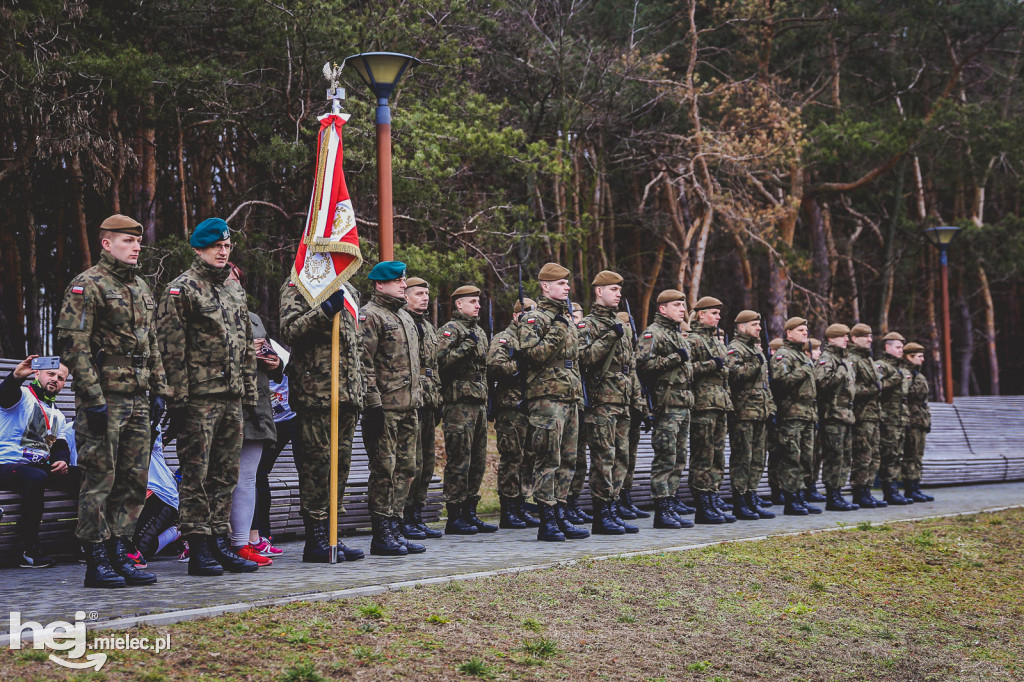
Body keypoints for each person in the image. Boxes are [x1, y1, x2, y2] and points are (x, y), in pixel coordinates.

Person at [56, 213, 167, 588]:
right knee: (99, 480)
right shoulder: (87, 285)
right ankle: (96, 556)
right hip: (105, 398)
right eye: (127, 241)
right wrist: (93, 398)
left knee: (134, 481)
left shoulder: (140, 288)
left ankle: (121, 549)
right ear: (107, 244)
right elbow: (74, 346)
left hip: (138, 396)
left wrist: (158, 391)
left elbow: (152, 345)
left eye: (137, 242)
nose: (136, 248)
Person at [157, 217, 259, 576]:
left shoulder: (234, 290)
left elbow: (246, 345)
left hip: (231, 398)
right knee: (196, 474)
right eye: (216, 246)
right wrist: (177, 400)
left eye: (227, 246)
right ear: (198, 249)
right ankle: (199, 547)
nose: (223, 251)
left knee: (224, 475)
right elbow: (170, 348)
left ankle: (219, 540)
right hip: (198, 399)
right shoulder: (182, 289)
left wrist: (248, 392)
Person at [279, 271, 365, 563]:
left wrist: (360, 390)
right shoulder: (299, 286)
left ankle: (332, 534)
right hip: (316, 393)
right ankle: (316, 538)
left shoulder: (348, 288)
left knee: (339, 466)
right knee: (317, 466)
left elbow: (355, 345)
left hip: (347, 395)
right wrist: (324, 312)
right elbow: (289, 331)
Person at [359, 261, 425, 556]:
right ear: (379, 284)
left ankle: (396, 526)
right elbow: (364, 361)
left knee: (407, 468)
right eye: (397, 281)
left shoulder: (406, 318)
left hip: (409, 406)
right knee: (384, 469)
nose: (403, 284)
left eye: (403, 280)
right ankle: (381, 531)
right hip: (384, 407)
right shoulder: (370, 316)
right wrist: (371, 402)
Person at [519, 262, 588, 542]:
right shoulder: (536, 319)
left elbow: (575, 363)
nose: (567, 287)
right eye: (561, 283)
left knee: (568, 460)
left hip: (569, 397)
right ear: (545, 287)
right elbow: (530, 355)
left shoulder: (566, 319)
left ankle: (561, 512)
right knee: (548, 459)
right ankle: (546, 518)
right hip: (547, 399)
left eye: (567, 283)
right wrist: (559, 330)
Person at [0, 357, 79, 568]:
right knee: (36, 476)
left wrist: (62, 461)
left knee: (85, 477)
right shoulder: (23, 397)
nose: (55, 379)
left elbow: (60, 446)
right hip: (7, 465)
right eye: (51, 374)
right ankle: (30, 549)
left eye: (61, 378)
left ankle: (85, 542)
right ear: (37, 374)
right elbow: (5, 396)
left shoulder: (58, 415)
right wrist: (16, 376)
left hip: (37, 467)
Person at [578, 271, 640, 535]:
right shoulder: (588, 325)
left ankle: (613, 508)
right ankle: (601, 513)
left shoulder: (623, 327)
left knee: (620, 459)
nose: (618, 294)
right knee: (603, 459)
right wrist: (609, 338)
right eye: (613, 289)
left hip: (622, 402)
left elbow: (631, 367)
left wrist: (637, 402)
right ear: (598, 292)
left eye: (619, 289)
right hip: (601, 401)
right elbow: (582, 358)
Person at [228, 283, 281, 567]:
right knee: (221, 476)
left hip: (256, 403)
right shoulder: (210, 311)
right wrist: (247, 350)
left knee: (248, 477)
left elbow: (269, 354)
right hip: (225, 400)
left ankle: (242, 542)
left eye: (238, 280)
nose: (233, 285)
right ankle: (208, 541)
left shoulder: (254, 318)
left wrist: (272, 362)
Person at [437, 285, 496, 535]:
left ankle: (471, 510)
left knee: (477, 460)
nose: (477, 306)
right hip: (458, 404)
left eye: (478, 302)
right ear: (459, 305)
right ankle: (455, 513)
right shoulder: (451, 330)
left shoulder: (479, 332)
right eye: (472, 302)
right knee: (459, 460)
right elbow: (439, 362)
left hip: (478, 404)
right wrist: (464, 347)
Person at [636, 290, 697, 528]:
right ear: (663, 309)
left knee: (679, 457)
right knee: (665, 458)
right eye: (677, 305)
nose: (682, 309)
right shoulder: (654, 333)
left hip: (682, 403)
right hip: (666, 404)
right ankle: (661, 509)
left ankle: (671, 504)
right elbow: (642, 364)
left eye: (683, 305)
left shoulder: (677, 334)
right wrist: (674, 358)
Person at [488, 296, 540, 530]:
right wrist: (518, 365)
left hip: (530, 406)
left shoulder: (533, 339)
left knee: (528, 458)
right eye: (526, 312)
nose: (531, 316)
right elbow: (495, 366)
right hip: (511, 408)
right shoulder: (506, 337)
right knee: (512, 458)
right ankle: (508, 509)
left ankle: (521, 503)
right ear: (516, 315)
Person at [687, 296, 736, 523]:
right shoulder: (694, 340)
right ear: (700, 314)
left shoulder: (717, 340)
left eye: (719, 314)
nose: (718, 317)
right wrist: (710, 365)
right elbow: (686, 369)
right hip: (702, 404)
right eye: (714, 313)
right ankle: (702, 502)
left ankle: (713, 497)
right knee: (703, 455)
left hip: (719, 402)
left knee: (717, 456)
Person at [402, 277, 444, 539]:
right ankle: (404, 515)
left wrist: (438, 398)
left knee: (427, 462)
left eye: (427, 293)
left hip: (429, 401)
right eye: (419, 293)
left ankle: (416, 514)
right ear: (406, 296)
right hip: (410, 400)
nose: (425, 297)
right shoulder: (401, 322)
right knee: (411, 463)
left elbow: (434, 366)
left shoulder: (428, 326)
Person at [725, 310, 776, 520]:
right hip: (743, 412)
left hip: (760, 412)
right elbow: (734, 374)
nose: (759, 328)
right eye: (754, 325)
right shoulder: (735, 348)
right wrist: (755, 362)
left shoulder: (756, 350)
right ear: (742, 326)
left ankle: (751, 496)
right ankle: (740, 500)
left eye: (759, 325)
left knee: (757, 459)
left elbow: (765, 384)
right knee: (742, 459)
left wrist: (770, 407)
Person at [770, 316, 821, 516]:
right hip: (791, 414)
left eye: (805, 331)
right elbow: (780, 382)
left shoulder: (802, 356)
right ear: (789, 333)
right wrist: (804, 370)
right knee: (792, 458)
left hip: (807, 414)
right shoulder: (784, 355)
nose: (804, 333)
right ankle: (791, 499)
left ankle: (801, 496)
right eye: (800, 330)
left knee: (806, 459)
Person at [813, 324, 858, 511]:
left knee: (845, 456)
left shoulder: (843, 359)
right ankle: (832, 495)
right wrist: (839, 373)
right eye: (842, 336)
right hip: (831, 415)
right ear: (831, 338)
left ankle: (838, 492)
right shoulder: (827, 358)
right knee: (834, 457)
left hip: (845, 415)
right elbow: (821, 383)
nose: (847, 339)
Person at [847, 324, 888, 509]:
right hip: (861, 414)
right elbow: (851, 388)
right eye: (865, 336)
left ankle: (867, 490)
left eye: (871, 336)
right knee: (862, 455)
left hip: (873, 414)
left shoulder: (868, 360)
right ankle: (859, 492)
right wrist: (872, 390)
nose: (870, 340)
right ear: (854, 338)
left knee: (873, 454)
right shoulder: (852, 360)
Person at [617, 310, 651, 520]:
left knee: (630, 458)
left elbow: (637, 386)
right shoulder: (620, 351)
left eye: (631, 325)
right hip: (618, 408)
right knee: (619, 458)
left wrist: (644, 411)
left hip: (632, 410)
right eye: (625, 325)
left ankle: (625, 497)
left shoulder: (631, 353)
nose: (629, 329)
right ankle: (617, 499)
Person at [876, 331, 913, 506]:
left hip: (900, 419)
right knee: (889, 454)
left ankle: (894, 489)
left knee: (897, 454)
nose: (901, 351)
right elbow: (877, 388)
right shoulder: (881, 366)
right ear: (887, 347)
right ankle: (888, 490)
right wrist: (894, 379)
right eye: (898, 347)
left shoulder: (901, 369)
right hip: (887, 418)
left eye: (902, 348)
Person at [901, 342, 934, 502]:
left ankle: (916, 486)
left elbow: (924, 401)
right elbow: (906, 395)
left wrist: (927, 419)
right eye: (919, 356)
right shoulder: (906, 374)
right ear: (909, 356)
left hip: (920, 420)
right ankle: (910, 487)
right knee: (910, 455)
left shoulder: (918, 375)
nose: (923, 359)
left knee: (918, 456)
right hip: (911, 419)